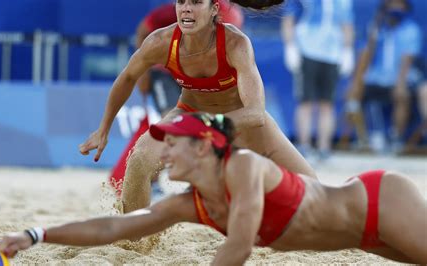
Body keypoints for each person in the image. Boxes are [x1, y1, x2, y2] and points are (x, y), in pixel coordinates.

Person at [0, 113, 427, 264]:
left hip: (380, 201)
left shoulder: (242, 167)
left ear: (203, 148)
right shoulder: (193, 204)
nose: (162, 152)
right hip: (365, 237)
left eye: (173, 143)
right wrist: (37, 235)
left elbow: (238, 248)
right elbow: (114, 229)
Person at [79, 0, 316, 213]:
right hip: (189, 114)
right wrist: (104, 128)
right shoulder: (161, 41)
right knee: (140, 159)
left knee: (313, 191)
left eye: (195, 2)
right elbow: (127, 77)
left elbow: (255, 113)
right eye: (181, 1)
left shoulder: (236, 43)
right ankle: (132, 240)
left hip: (241, 123)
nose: (186, 8)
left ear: (214, 9)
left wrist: (205, 126)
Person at [110, 0, 244, 195]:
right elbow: (143, 28)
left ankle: (197, 180)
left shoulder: (235, 16)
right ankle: (154, 181)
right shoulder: (188, 8)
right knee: (174, 126)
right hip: (165, 72)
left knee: (198, 129)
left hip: (197, 76)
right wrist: (144, 72)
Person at [282, 0, 355, 160]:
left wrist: (348, 50)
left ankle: (324, 148)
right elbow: (288, 20)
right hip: (307, 51)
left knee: (327, 104)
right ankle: (304, 146)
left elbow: (347, 24)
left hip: (332, 55)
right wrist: (290, 46)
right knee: (305, 102)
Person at [346, 0, 422, 152]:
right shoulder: (377, 28)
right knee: (351, 96)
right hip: (377, 77)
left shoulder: (411, 29)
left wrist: (400, 84)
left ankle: (396, 138)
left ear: (406, 8)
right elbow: (365, 55)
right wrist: (355, 83)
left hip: (402, 77)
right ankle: (364, 139)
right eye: (392, 4)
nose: (395, 8)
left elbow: (407, 59)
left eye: (399, 4)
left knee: (402, 95)